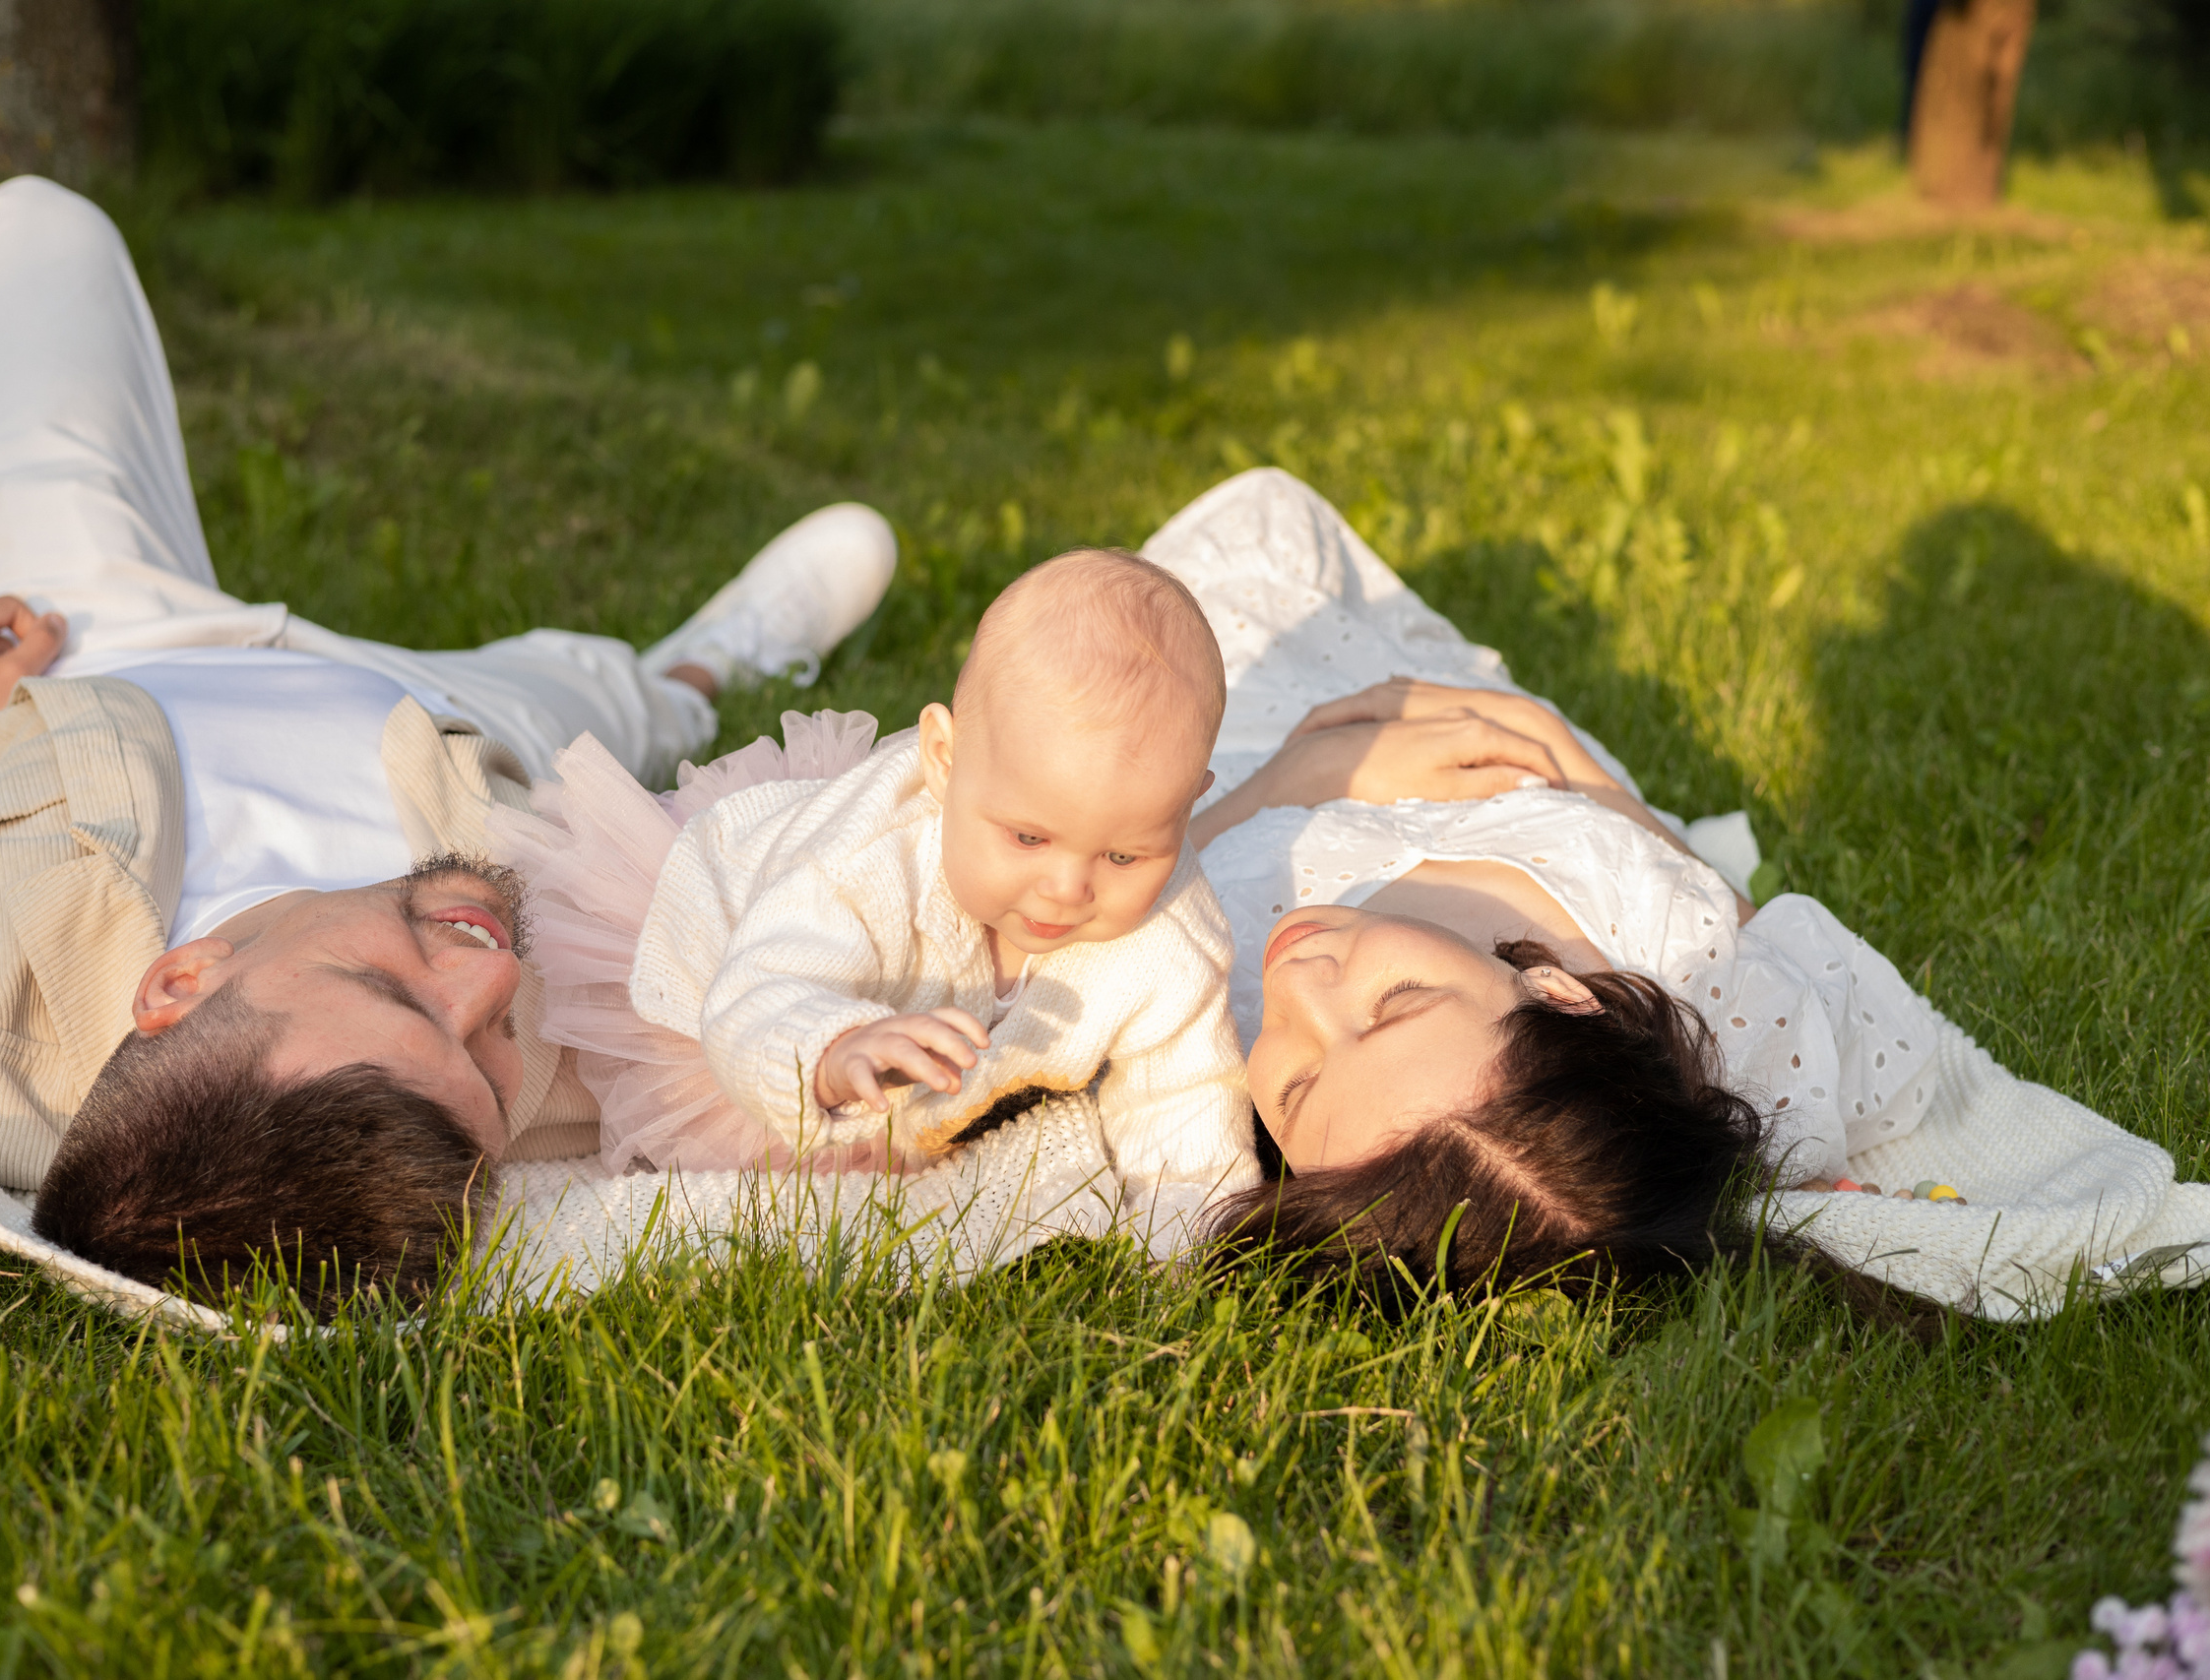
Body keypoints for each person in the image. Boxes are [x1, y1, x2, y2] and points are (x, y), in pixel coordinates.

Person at [0, 175, 896, 1307]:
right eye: (487, 1059)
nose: (493, 975)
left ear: (179, 983)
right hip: (449, 733)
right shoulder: (540, 1063)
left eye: (391, 988)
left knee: (33, 227)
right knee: (602, 696)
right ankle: (700, 669)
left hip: (90, 652)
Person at [1130, 467, 1947, 1308]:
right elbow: (1858, 1013)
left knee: (1130, 638)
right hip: (1471, 736)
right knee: (1276, 527)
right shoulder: (1683, 953)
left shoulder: (1198, 991)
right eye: (1397, 1000)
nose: (1303, 985)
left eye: (1296, 1090)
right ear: (1559, 991)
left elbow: (1090, 911)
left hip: (1243, 748)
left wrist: (1283, 785)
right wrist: (1584, 776)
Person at [489, 548, 1255, 1208]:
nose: (1066, 887)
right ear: (944, 761)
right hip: (717, 962)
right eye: (1028, 836)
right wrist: (828, 1049)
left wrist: (1193, 1230)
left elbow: (1184, 1091)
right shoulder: (868, 864)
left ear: (1189, 805)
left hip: (887, 1056)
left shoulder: (1170, 935)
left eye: (1123, 856)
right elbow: (757, 987)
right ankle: (554, 725)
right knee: (540, 1076)